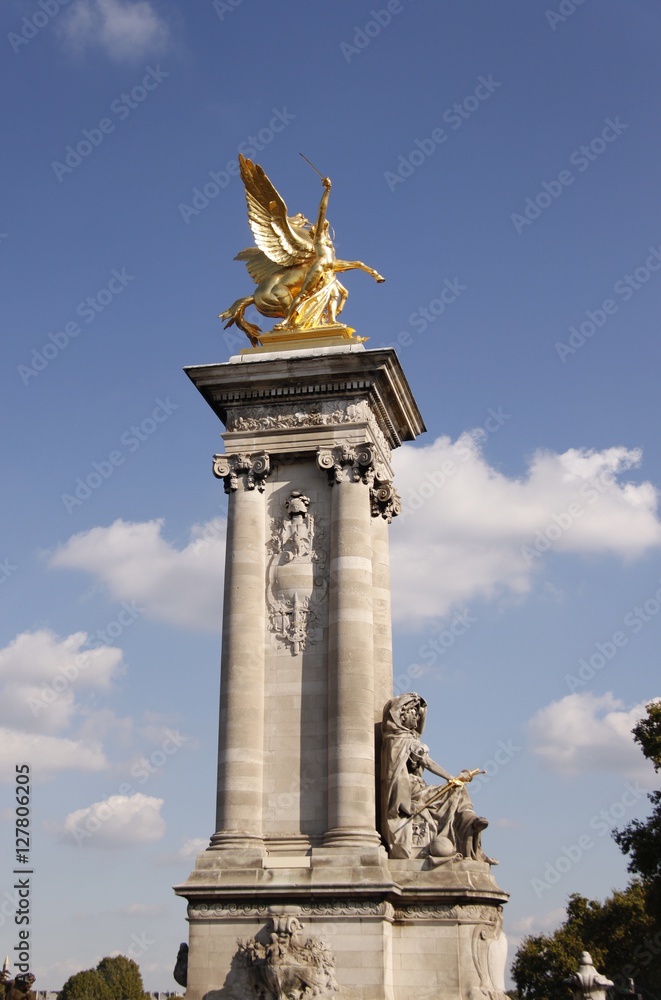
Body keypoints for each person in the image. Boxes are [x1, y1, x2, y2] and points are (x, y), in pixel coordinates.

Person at [380, 692, 494, 862]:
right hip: (412, 792)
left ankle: (470, 824)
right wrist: (452, 778)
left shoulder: (398, 738)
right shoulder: (402, 740)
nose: (416, 718)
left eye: (418, 715)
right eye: (413, 713)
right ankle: (469, 824)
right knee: (458, 790)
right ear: (402, 716)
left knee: (458, 791)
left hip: (416, 789)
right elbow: (427, 762)